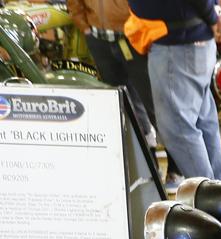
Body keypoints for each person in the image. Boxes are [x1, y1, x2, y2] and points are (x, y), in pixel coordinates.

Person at [67, 0, 184, 190]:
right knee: (126, 107)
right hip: (99, 39)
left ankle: (176, 167)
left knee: (155, 102)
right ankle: (149, 165)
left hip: (133, 36)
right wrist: (84, 26)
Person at [126, 0, 221, 180]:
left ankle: (210, 201)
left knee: (179, 129)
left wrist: (213, 16)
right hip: (186, 42)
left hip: (178, 45)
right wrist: (214, 13)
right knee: (202, 124)